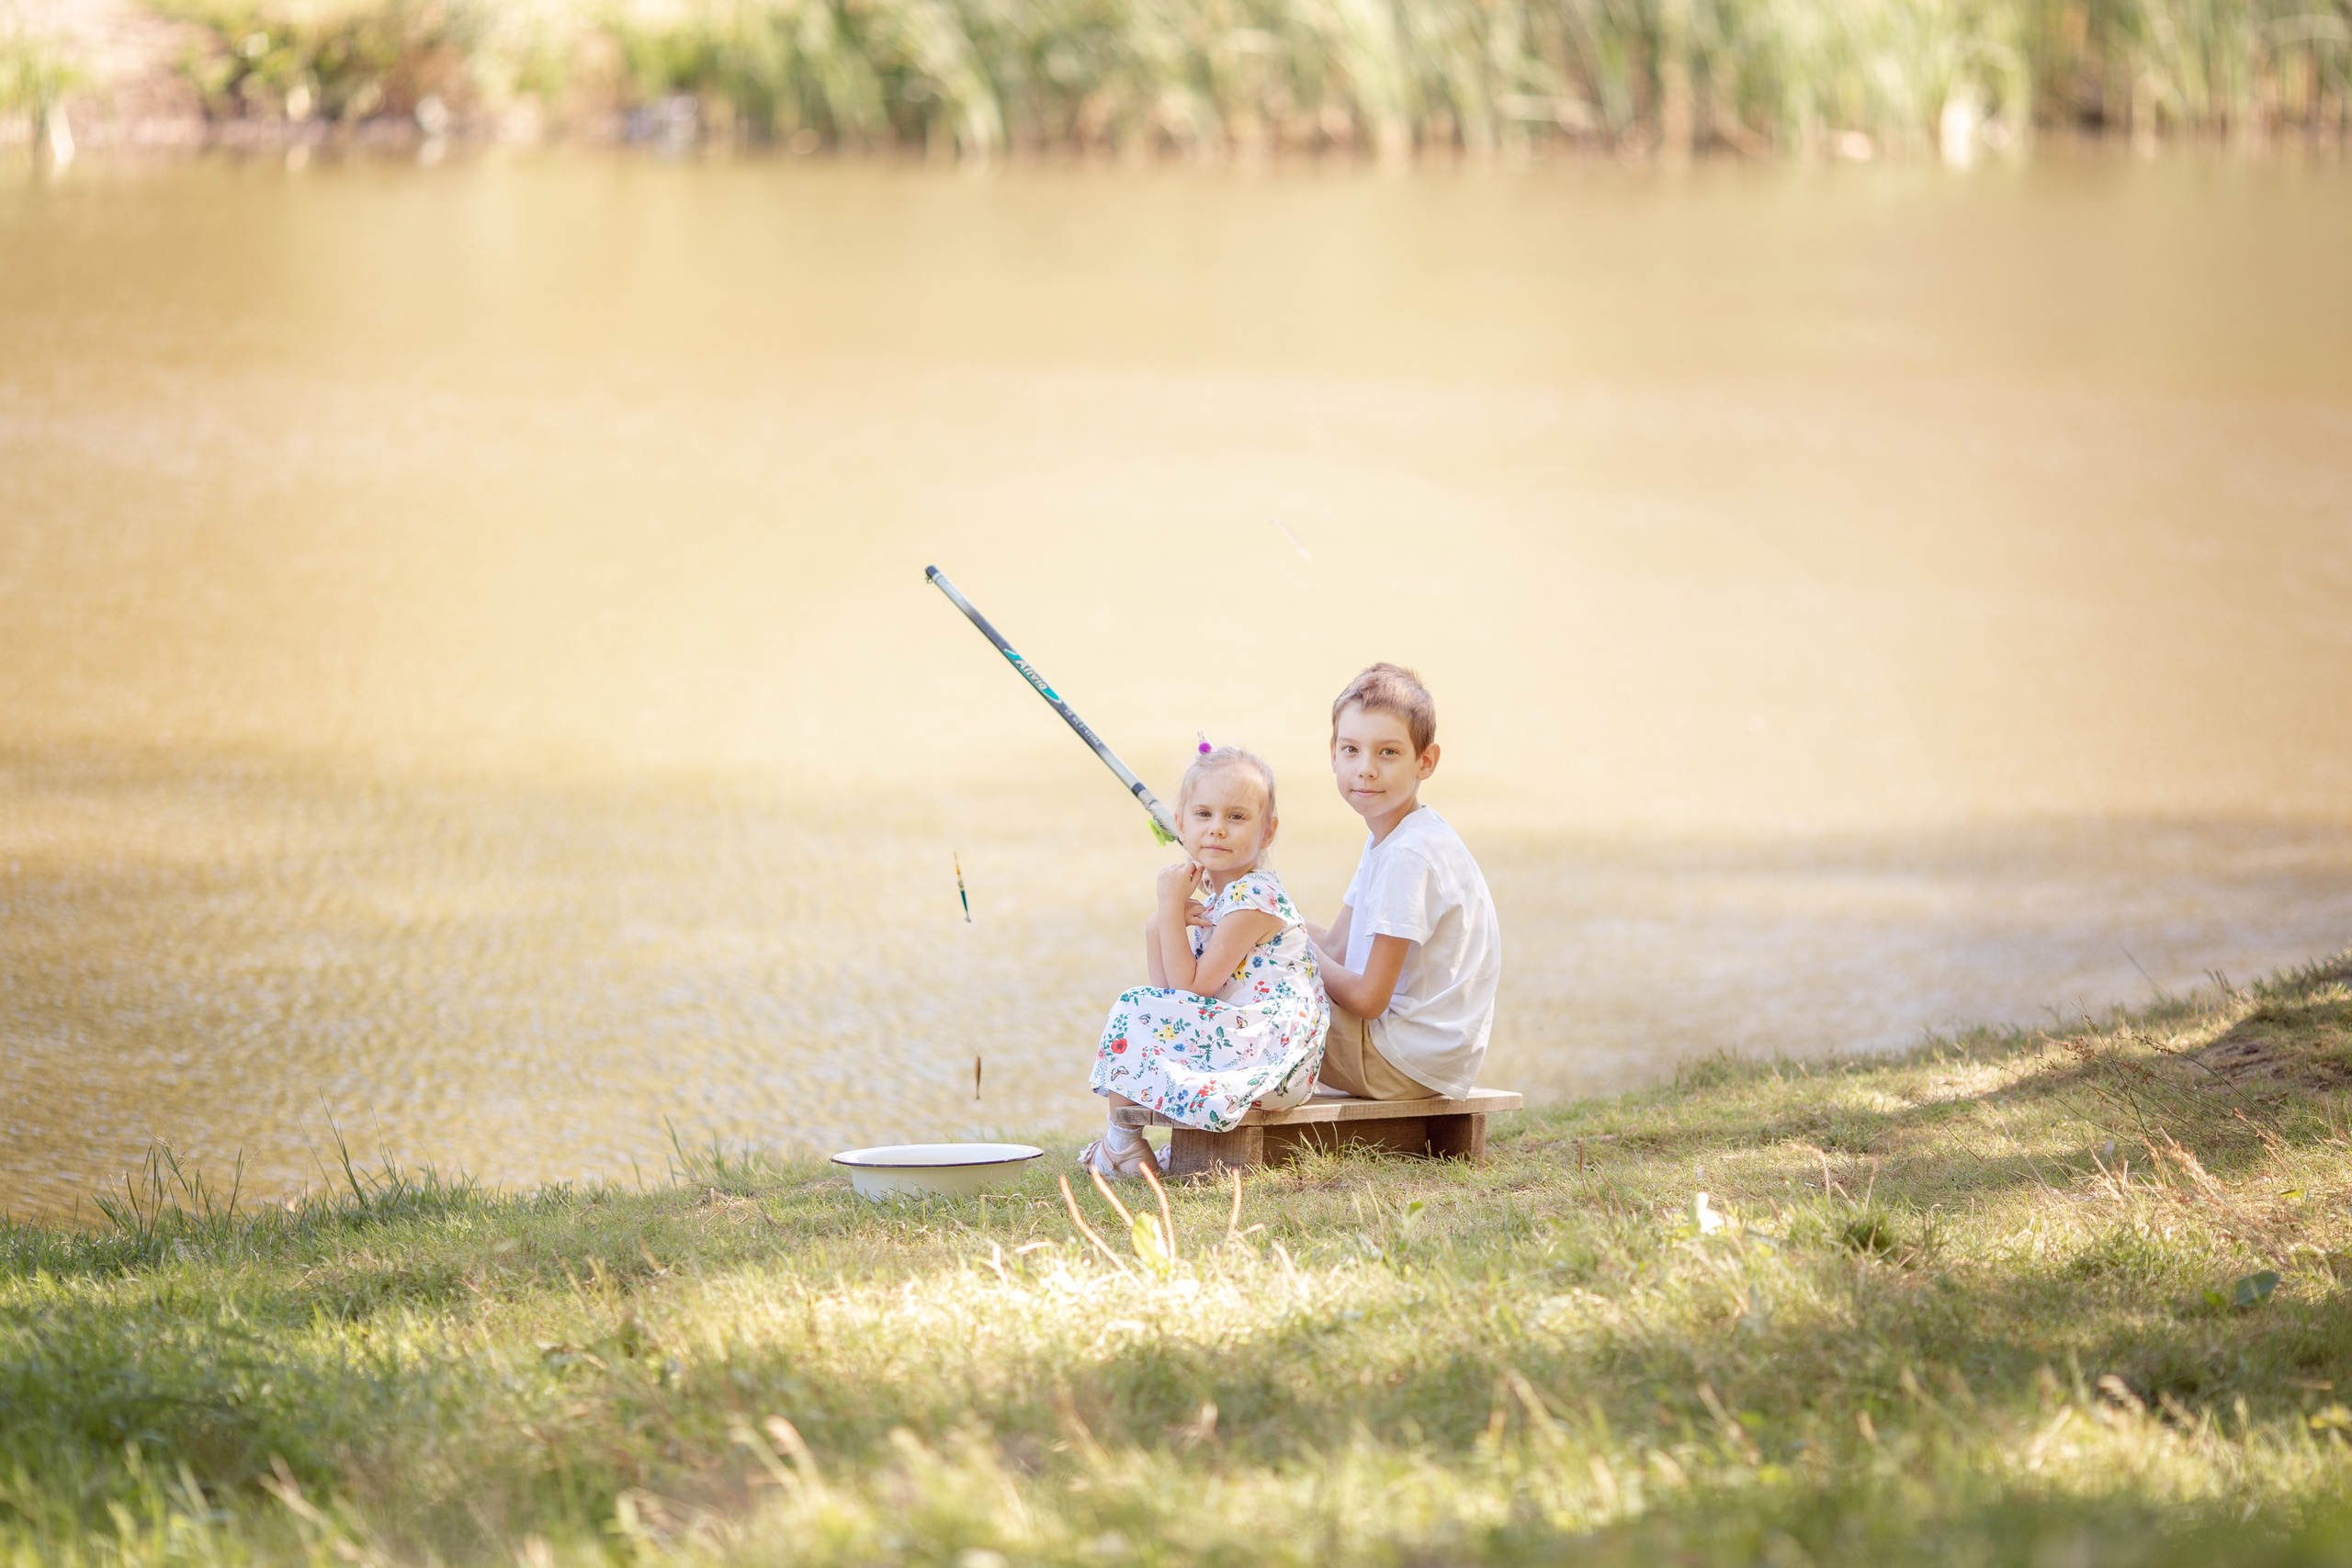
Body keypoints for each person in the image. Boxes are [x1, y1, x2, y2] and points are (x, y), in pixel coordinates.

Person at [1082, 746, 1329, 1177]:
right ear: (1181, 824)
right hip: (1246, 1036)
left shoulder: (1252, 898)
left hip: (1275, 1053)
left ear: (1267, 832)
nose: (1217, 829)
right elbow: (1168, 997)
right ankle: (1121, 1146)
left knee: (1131, 1007)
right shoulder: (1221, 898)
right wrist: (1163, 922)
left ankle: (1120, 1146)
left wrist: (1168, 902)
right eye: (1203, 814)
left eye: (1236, 817)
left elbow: (1188, 993)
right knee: (1141, 1006)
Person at [1306, 663, 1501, 1102]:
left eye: (1388, 753)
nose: (1366, 769)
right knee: (1254, 948)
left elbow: (1368, 998)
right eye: (1352, 750)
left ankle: (1152, 1141)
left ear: (1425, 761)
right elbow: (1336, 947)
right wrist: (1260, 909)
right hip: (1414, 1057)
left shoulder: (1408, 855)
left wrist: (1284, 946)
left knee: (1252, 976)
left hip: (1400, 1062)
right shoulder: (1395, 835)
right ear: (1333, 753)